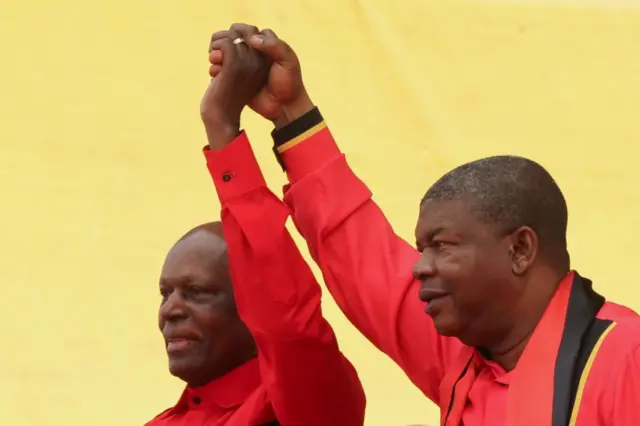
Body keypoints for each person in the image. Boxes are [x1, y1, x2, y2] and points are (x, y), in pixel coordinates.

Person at [208, 24, 640, 425]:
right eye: (421, 249)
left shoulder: (624, 359)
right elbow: (357, 251)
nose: (418, 267)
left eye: (443, 246)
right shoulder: (463, 354)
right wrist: (289, 115)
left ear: (520, 250)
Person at [145, 25, 366, 426]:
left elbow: (288, 319)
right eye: (166, 293)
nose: (171, 310)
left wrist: (222, 127)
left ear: (252, 307)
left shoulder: (301, 403)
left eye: (197, 292)